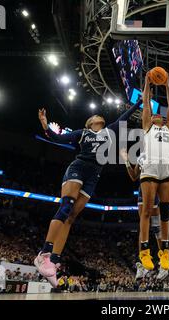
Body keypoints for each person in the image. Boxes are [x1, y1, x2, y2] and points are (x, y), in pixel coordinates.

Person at [34, 102, 139, 286]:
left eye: (101, 116)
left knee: (71, 217)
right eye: (96, 116)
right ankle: (44, 253)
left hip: (94, 175)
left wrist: (140, 100)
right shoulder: (82, 133)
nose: (100, 116)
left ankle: (54, 262)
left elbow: (125, 116)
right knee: (66, 207)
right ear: (90, 122)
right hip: (79, 168)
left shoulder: (109, 131)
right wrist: (45, 124)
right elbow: (59, 139)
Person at [138, 71, 169, 274]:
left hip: (167, 168)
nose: (157, 115)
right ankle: (144, 250)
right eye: (154, 115)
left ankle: (165, 252)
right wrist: (147, 83)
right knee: (147, 210)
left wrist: (167, 85)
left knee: (166, 211)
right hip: (150, 167)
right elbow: (145, 102)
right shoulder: (147, 127)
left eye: (158, 115)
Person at [119, 148, 168, 280]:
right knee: (143, 226)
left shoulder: (161, 152)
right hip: (143, 190)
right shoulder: (142, 156)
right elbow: (134, 177)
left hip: (156, 190)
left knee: (157, 227)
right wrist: (126, 160)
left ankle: (164, 264)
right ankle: (143, 264)